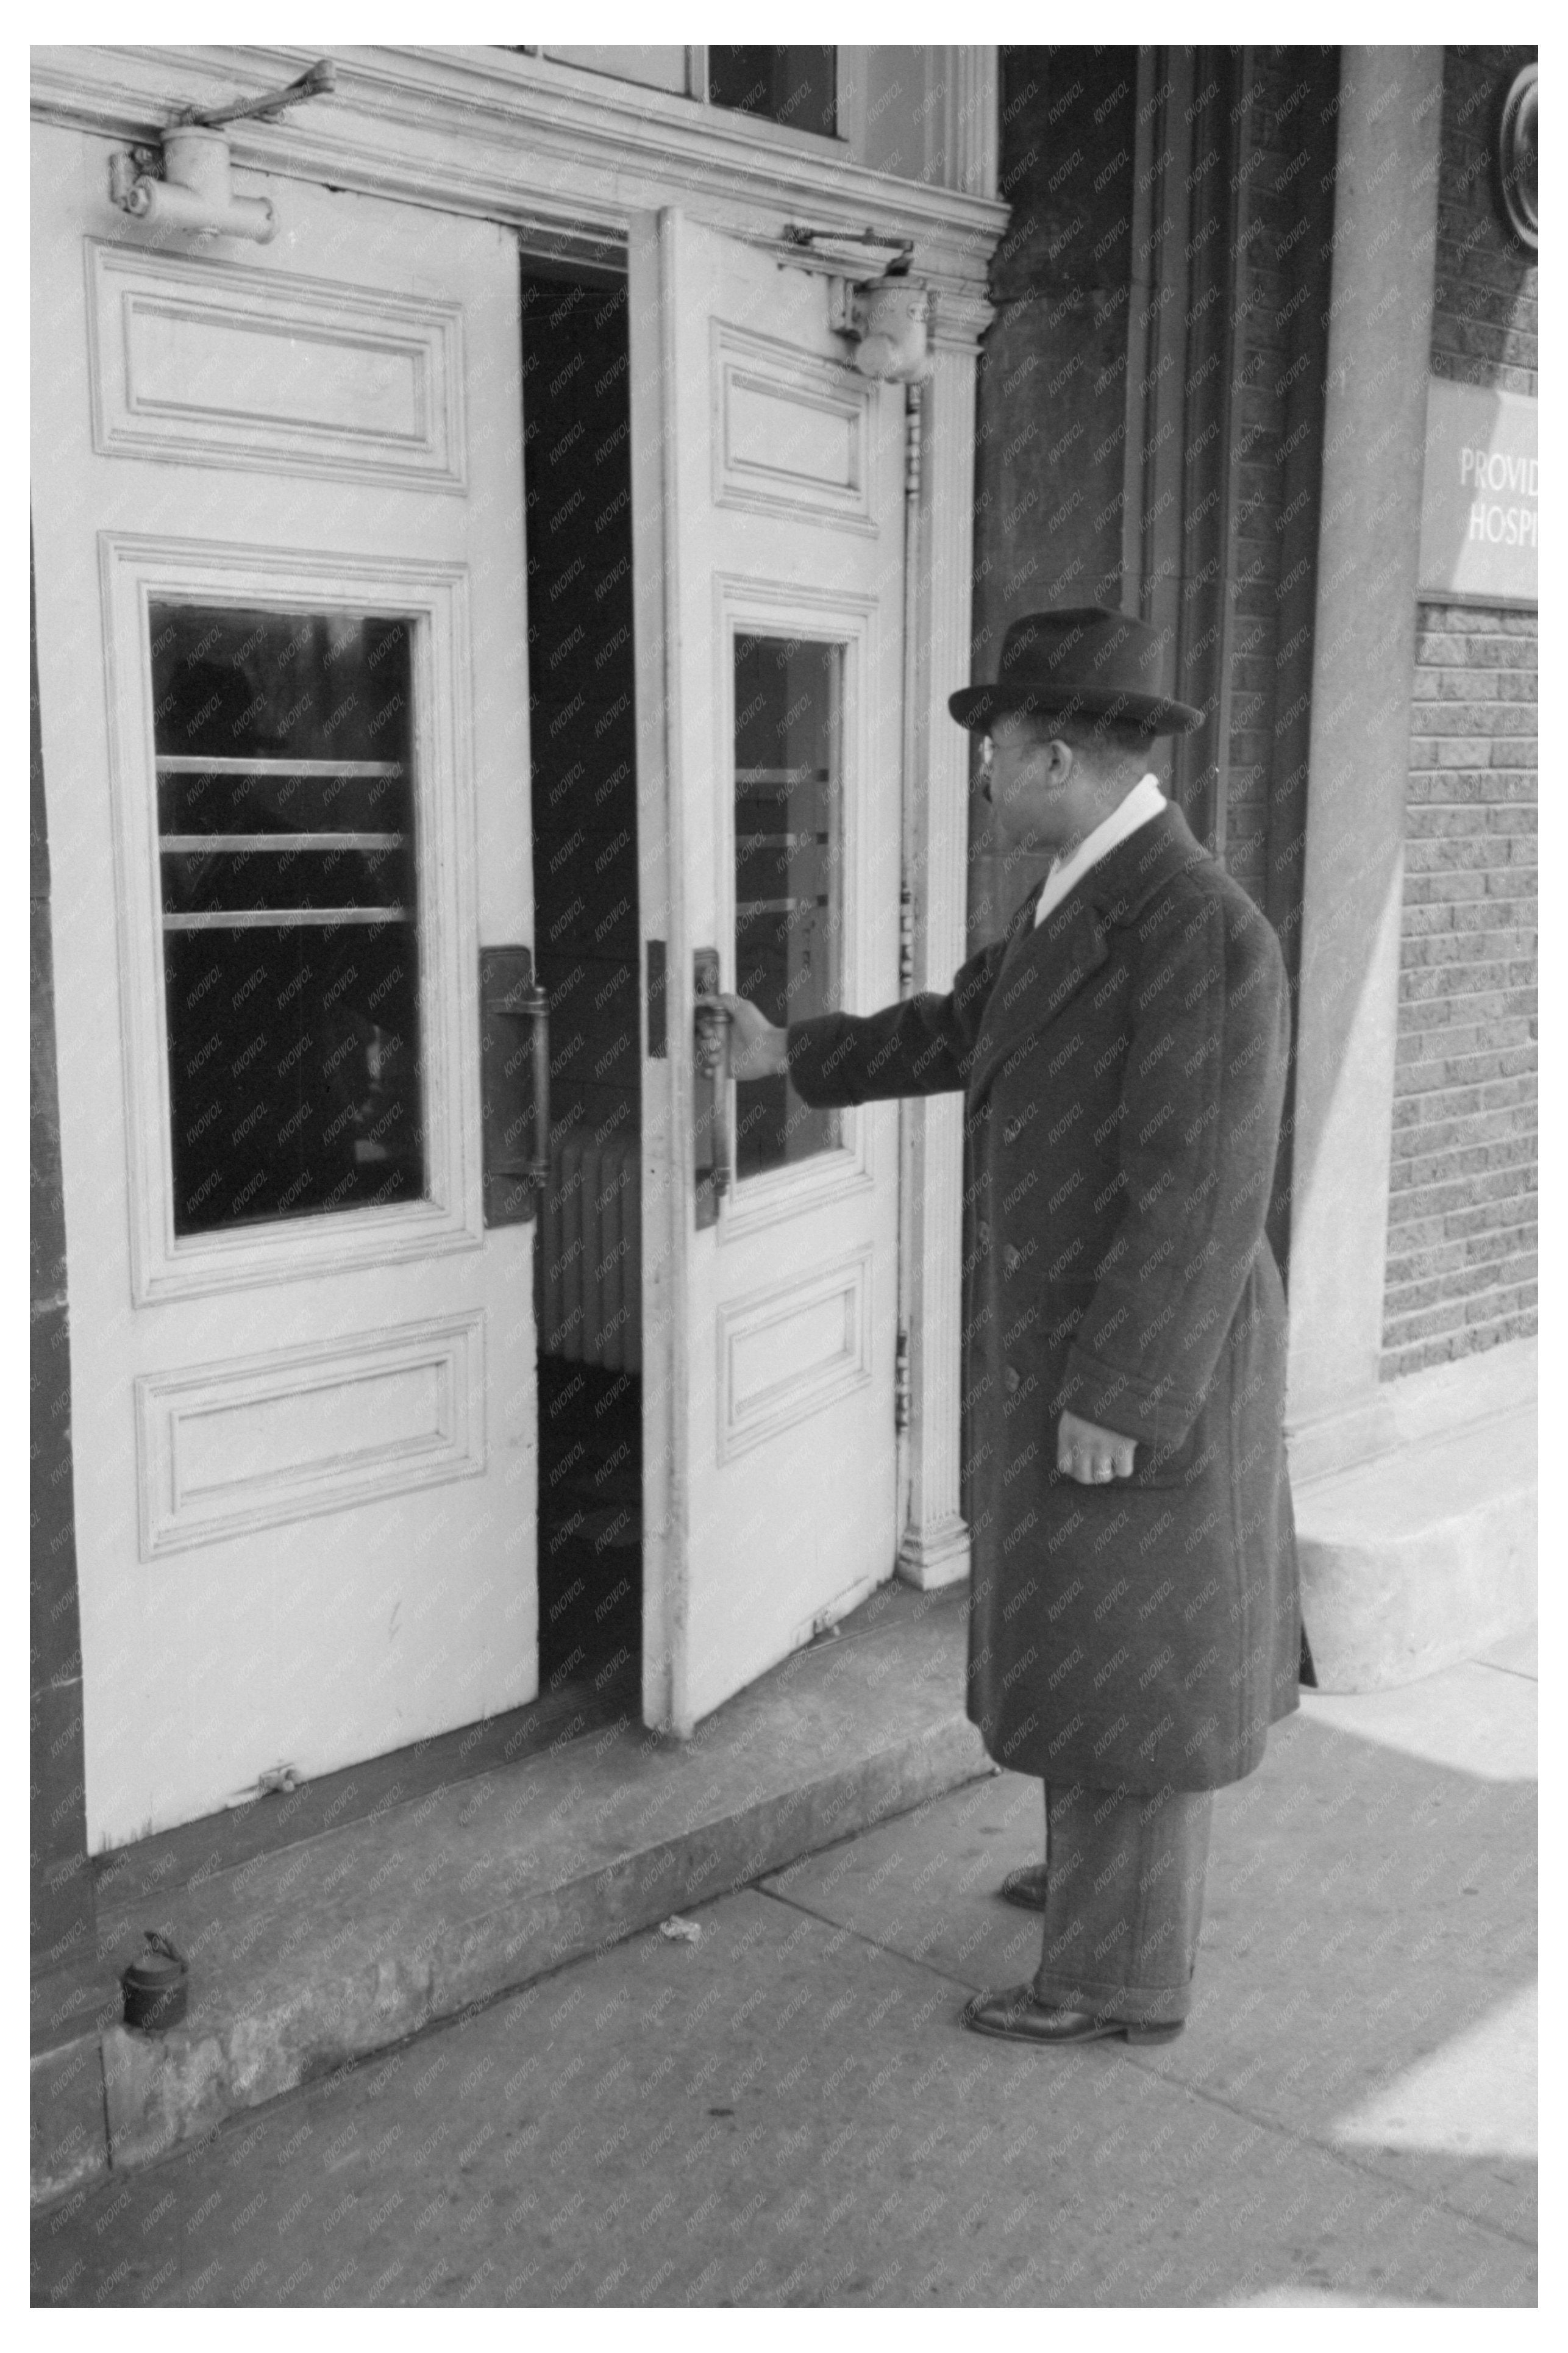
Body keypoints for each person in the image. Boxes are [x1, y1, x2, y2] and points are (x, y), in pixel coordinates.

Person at [719, 605, 1300, 2048]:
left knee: (1135, 1657)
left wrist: (1121, 1393)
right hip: (1082, 1350)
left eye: (988, 754)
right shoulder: (1081, 893)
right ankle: (1101, 1887)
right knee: (1096, 1642)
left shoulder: (1195, 928)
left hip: (1133, 1365)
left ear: (1048, 756)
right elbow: (956, 1030)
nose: (977, 779)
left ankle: (1114, 1975)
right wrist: (788, 1051)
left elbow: (1197, 1196)